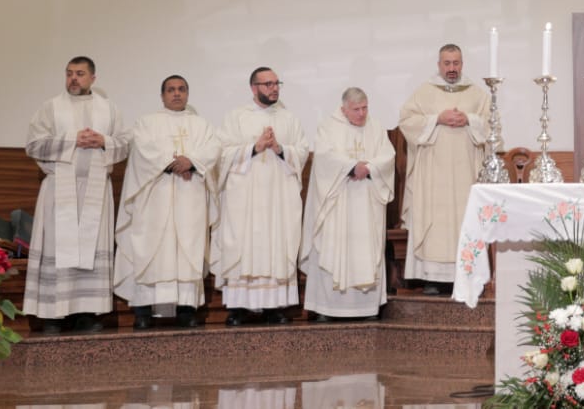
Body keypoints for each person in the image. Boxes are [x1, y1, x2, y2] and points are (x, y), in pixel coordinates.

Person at [23, 56, 126, 334]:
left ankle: (86, 313)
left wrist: (104, 141)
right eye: (69, 73)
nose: (73, 79)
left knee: (91, 250)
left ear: (93, 78)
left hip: (95, 189)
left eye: (80, 74)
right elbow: (32, 145)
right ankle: (53, 316)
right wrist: (73, 140)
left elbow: (126, 143)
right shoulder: (51, 107)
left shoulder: (109, 109)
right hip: (59, 188)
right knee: (58, 247)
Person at [114, 74, 222, 329]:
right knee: (152, 250)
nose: (176, 94)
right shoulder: (146, 123)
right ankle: (143, 311)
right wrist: (174, 163)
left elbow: (213, 149)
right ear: (162, 95)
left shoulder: (202, 125)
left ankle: (186, 309)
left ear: (187, 94)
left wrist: (192, 162)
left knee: (187, 249)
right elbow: (142, 148)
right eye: (171, 90)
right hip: (155, 199)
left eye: (181, 89)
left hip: (189, 198)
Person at [210, 66, 309, 325]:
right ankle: (239, 308)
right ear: (253, 88)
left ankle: (274, 307)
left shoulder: (289, 119)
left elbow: (302, 151)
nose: (274, 88)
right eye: (268, 84)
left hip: (278, 197)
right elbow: (221, 154)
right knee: (244, 246)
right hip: (245, 197)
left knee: (276, 243)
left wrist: (279, 148)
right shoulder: (236, 117)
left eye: (277, 83)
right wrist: (254, 147)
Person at [399, 44, 490, 296]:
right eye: (447, 63)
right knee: (435, 221)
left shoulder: (476, 93)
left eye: (456, 63)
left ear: (462, 64)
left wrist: (470, 120)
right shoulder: (424, 92)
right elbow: (406, 121)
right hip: (433, 175)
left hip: (465, 174)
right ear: (439, 65)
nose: (452, 68)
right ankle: (433, 278)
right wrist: (436, 119)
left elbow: (492, 124)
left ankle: (468, 272)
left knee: (464, 219)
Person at [303, 87, 396, 321]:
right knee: (333, 250)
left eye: (365, 108)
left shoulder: (375, 127)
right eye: (356, 109)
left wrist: (370, 168)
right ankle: (327, 308)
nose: (362, 114)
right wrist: (351, 166)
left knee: (365, 251)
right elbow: (324, 157)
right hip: (339, 203)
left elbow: (388, 155)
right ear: (344, 109)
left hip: (366, 203)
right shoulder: (328, 127)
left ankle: (366, 308)